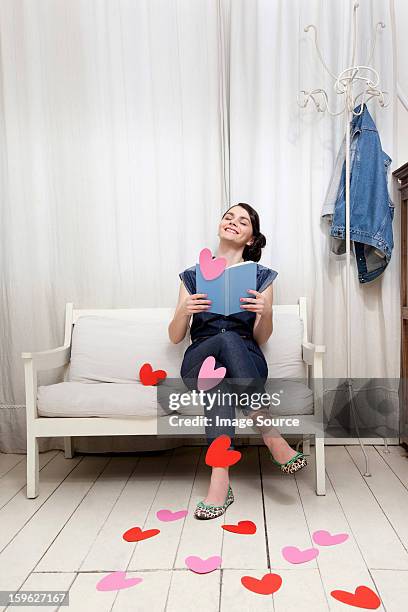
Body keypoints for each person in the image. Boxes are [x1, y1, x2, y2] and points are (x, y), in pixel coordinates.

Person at [168, 203, 307, 520]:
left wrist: (266, 312)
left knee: (220, 379)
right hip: (199, 357)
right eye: (228, 217)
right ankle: (271, 436)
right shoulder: (192, 276)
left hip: (246, 357)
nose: (232, 222)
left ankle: (219, 482)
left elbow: (261, 339)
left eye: (242, 221)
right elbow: (175, 337)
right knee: (221, 344)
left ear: (250, 238)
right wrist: (184, 311)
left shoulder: (260, 277)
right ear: (220, 225)